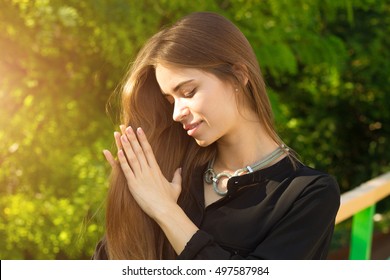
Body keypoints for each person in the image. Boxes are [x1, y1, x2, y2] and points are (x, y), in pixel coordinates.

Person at [93, 11, 340, 260]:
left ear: (239, 75)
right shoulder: (166, 172)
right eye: (170, 101)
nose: (176, 113)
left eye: (188, 92)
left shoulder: (308, 194)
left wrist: (166, 211)